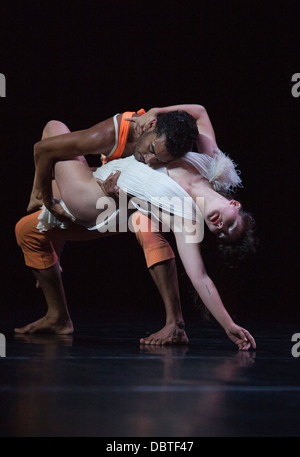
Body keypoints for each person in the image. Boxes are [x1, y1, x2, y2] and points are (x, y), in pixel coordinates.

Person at [20, 108, 257, 351]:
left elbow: (200, 278)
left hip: (88, 196)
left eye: (220, 233)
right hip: (98, 179)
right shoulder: (210, 163)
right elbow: (199, 112)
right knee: (36, 206)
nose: (220, 227)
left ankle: (42, 201)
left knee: (53, 128)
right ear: (234, 204)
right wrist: (155, 112)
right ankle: (52, 230)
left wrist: (229, 325)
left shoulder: (186, 219)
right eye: (231, 224)